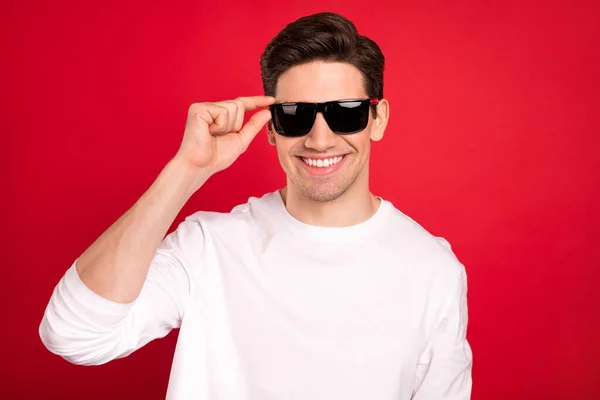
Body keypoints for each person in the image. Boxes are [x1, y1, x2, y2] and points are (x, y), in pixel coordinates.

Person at [39, 12, 472, 400]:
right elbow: (74, 335)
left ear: (377, 120)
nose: (319, 139)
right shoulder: (209, 246)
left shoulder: (431, 269)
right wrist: (187, 171)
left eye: (345, 112)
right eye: (295, 115)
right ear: (269, 129)